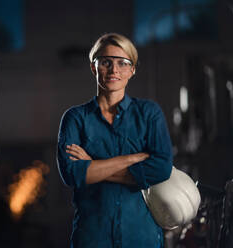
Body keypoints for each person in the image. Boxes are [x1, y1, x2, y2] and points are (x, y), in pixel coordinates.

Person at [56, 33, 173, 248]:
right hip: (92, 239)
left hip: (141, 238)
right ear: (94, 67)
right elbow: (72, 174)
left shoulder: (148, 114)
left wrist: (92, 166)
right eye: (105, 62)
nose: (114, 70)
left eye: (122, 63)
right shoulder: (75, 118)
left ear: (133, 69)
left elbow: (161, 169)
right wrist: (133, 159)